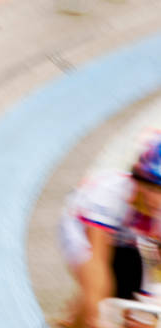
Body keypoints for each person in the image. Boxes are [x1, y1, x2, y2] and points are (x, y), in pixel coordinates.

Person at [59, 135, 161, 328]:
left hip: (129, 238)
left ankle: (72, 317)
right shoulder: (109, 194)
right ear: (137, 181)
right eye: (153, 189)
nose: (157, 201)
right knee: (97, 300)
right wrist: (95, 305)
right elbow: (97, 261)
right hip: (83, 231)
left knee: (143, 317)